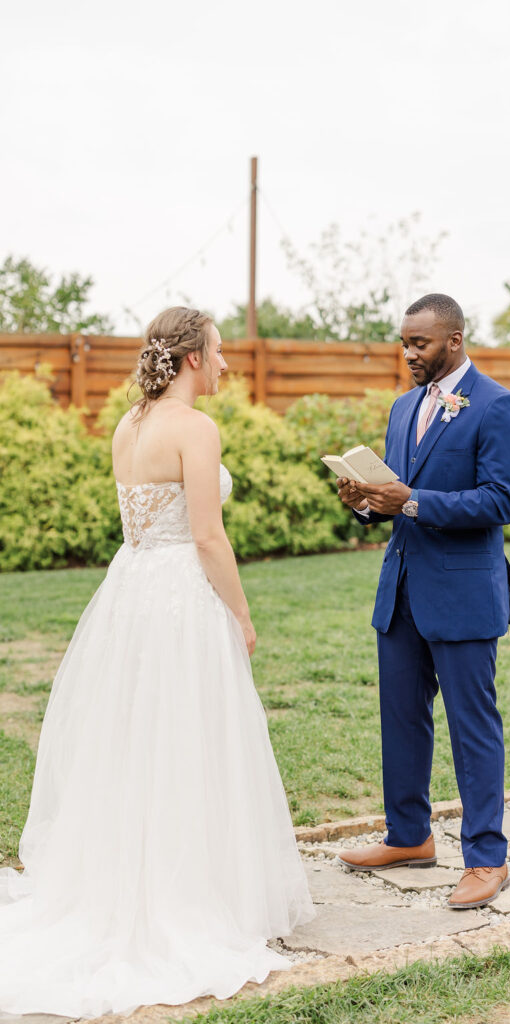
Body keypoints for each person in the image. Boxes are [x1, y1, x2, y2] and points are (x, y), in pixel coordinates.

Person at [0, 307, 313, 1017]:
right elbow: (207, 536)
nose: (228, 363)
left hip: (130, 589)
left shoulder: (130, 424)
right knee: (188, 734)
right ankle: (185, 897)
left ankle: (128, 880)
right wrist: (241, 613)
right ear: (195, 358)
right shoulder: (195, 429)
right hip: (178, 594)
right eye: (221, 351)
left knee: (134, 736)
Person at [336, 294, 510, 909]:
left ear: (455, 339)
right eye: (404, 342)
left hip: (464, 594)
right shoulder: (402, 407)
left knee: (473, 727)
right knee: (401, 717)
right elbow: (394, 491)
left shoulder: (498, 406)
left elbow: (500, 502)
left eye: (419, 343)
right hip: (402, 591)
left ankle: (486, 858)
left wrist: (409, 501)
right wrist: (365, 500)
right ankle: (409, 836)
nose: (408, 353)